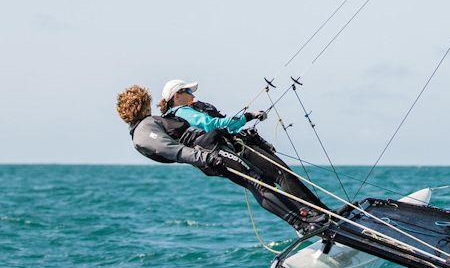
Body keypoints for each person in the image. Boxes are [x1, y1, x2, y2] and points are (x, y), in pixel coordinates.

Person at [117, 83, 329, 233]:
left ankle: (306, 218)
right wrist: (205, 157)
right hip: (210, 153)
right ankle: (302, 223)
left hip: (211, 150)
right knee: (258, 184)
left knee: (259, 181)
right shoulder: (144, 131)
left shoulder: (149, 123)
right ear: (141, 105)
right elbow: (174, 150)